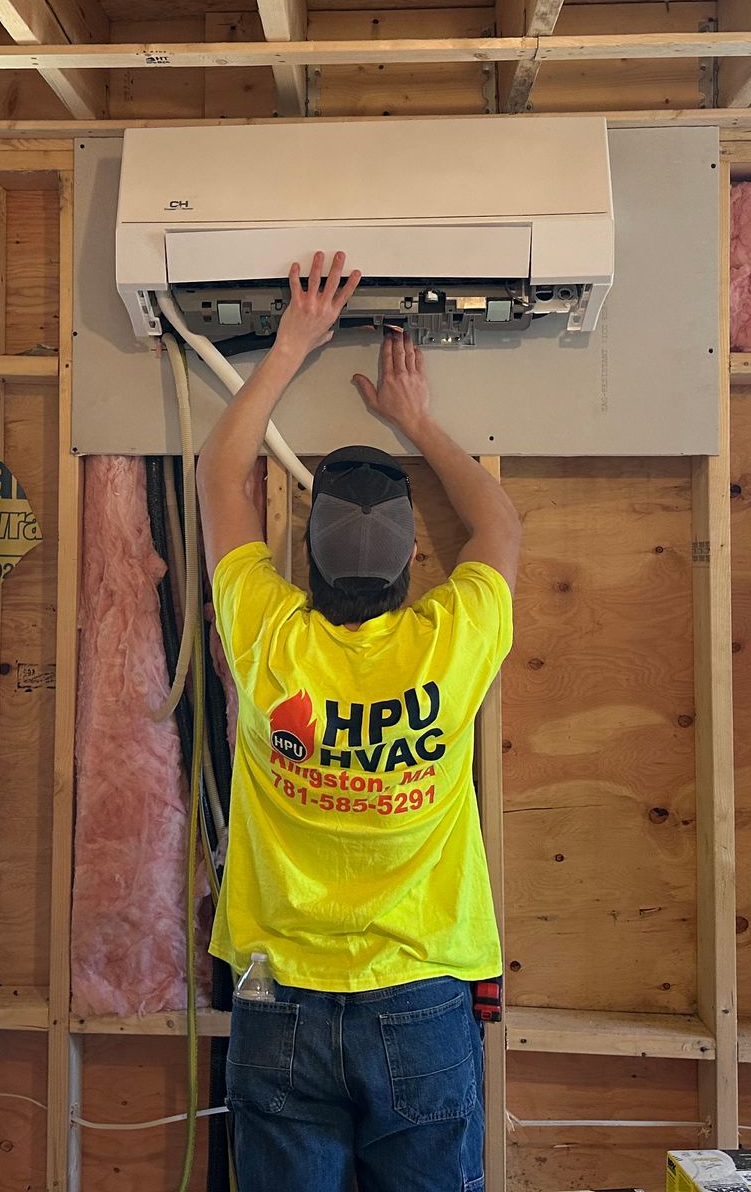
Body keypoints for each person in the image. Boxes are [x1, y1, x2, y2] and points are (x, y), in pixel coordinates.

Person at [196, 250, 523, 1192]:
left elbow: (220, 476)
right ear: (414, 563)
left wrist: (290, 343)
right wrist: (415, 419)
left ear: (304, 554)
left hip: (278, 1001)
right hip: (421, 1002)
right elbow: (499, 528)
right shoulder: (449, 643)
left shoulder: (268, 637)